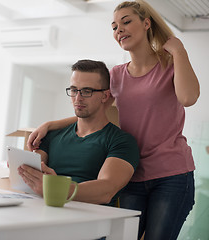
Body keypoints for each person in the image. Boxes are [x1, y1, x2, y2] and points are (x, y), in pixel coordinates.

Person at [27, 1, 200, 240]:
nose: (119, 30)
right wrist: (52, 125)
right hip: (133, 174)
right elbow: (99, 112)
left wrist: (180, 51)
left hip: (171, 175)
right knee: (123, 237)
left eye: (126, 22)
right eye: (114, 26)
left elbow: (189, 97)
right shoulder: (117, 75)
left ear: (146, 23)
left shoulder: (169, 64)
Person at [18, 59, 140, 207]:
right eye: (74, 90)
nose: (78, 98)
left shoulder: (121, 141)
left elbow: (106, 190)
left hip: (89, 224)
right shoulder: (52, 135)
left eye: (87, 91)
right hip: (44, 213)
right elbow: (32, 175)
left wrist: (56, 187)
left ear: (105, 96)